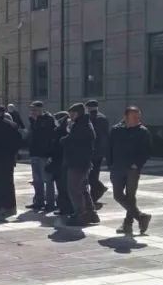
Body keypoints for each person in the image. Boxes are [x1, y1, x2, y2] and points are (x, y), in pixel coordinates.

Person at [109, 106, 152, 236]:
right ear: (125, 117)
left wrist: (137, 164)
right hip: (117, 167)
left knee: (130, 196)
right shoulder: (116, 130)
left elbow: (147, 151)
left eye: (139, 117)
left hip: (132, 169)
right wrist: (110, 164)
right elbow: (109, 147)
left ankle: (128, 224)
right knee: (117, 195)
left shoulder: (142, 131)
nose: (137, 119)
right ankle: (141, 217)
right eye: (134, 117)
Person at [61, 103, 99, 226]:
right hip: (81, 162)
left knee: (74, 189)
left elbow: (72, 141)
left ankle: (81, 214)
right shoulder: (82, 124)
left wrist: (65, 137)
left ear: (79, 113)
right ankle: (91, 213)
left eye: (73, 113)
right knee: (82, 188)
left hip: (79, 162)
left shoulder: (82, 126)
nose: (71, 116)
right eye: (70, 113)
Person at [27, 101, 57, 211]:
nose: (32, 112)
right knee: (36, 179)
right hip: (34, 153)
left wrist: (36, 121)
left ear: (41, 109)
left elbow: (45, 135)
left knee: (47, 179)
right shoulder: (33, 120)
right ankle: (38, 201)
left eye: (34, 110)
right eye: (31, 110)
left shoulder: (48, 120)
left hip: (44, 154)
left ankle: (50, 203)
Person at [47, 111, 74, 216]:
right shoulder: (67, 130)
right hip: (63, 161)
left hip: (60, 162)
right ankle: (67, 207)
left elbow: (56, 147)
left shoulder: (60, 131)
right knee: (64, 187)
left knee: (62, 187)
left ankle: (64, 208)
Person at [86, 100, 110, 206]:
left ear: (89, 107)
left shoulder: (92, 118)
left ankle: (96, 193)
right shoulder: (102, 117)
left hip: (93, 151)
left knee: (91, 175)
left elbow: (93, 135)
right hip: (99, 151)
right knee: (93, 174)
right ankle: (96, 192)